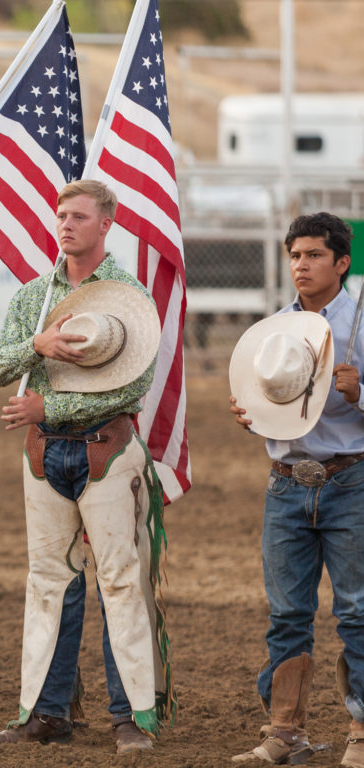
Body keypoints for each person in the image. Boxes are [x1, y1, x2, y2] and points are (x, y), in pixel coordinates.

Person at [0, 179, 173, 753]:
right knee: (49, 581)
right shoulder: (35, 297)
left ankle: (132, 715)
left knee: (119, 578)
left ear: (105, 224)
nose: (66, 225)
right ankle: (47, 711)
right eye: (62, 215)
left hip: (103, 448)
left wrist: (48, 406)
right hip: (53, 452)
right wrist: (34, 348)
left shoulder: (129, 295)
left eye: (79, 217)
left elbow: (134, 386)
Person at [229, 213, 364, 767]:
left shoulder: (361, 322)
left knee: (356, 611)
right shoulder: (275, 331)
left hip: (350, 479)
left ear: (341, 262)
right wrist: (252, 414)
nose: (301, 265)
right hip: (287, 483)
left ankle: (360, 730)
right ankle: (286, 730)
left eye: (312, 255)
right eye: (295, 255)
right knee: (287, 613)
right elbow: (265, 406)